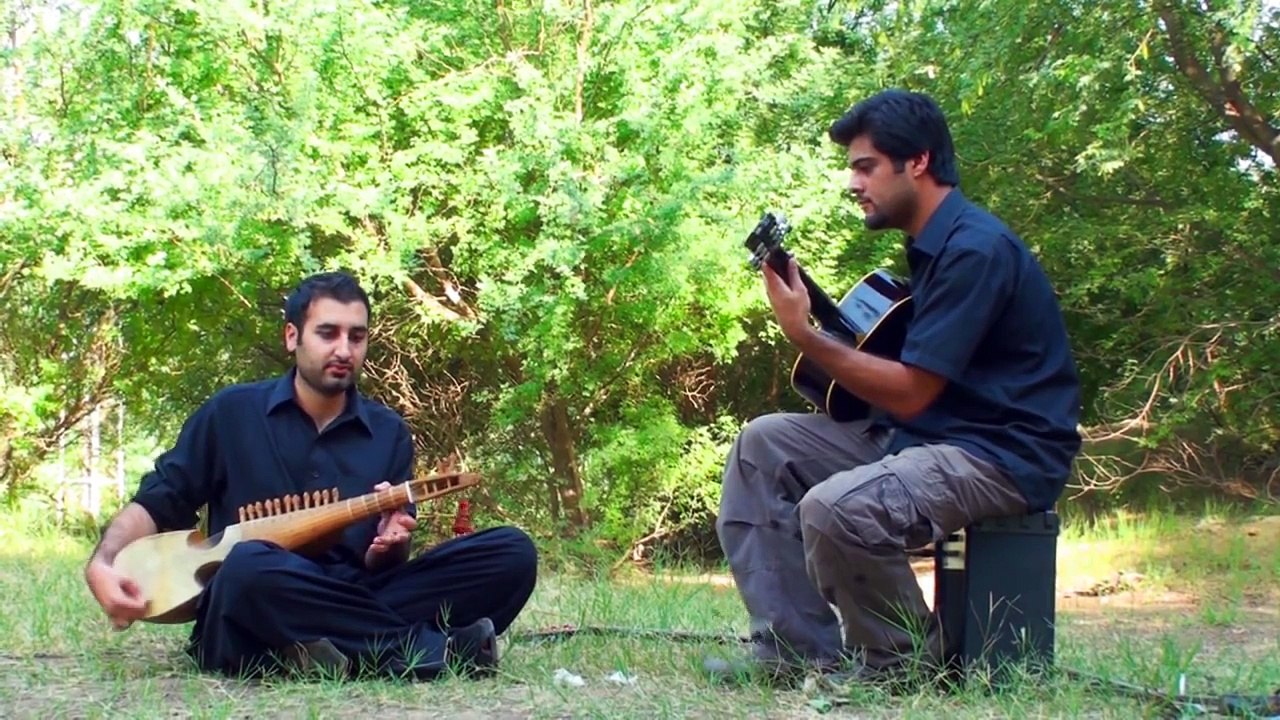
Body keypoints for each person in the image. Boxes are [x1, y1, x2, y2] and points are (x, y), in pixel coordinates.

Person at [706, 90, 1082, 683]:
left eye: (865, 166)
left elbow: (910, 392)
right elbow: (910, 387)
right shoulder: (931, 249)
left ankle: (901, 665)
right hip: (932, 435)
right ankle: (796, 652)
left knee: (838, 510)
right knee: (763, 447)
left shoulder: (975, 251)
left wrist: (805, 335)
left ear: (919, 162)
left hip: (1001, 453)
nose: (852, 183)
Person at [83, 271, 539, 680]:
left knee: (512, 553)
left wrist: (390, 545)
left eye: (357, 336)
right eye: (328, 333)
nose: (344, 349)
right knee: (247, 566)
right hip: (259, 594)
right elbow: (159, 499)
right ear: (291, 336)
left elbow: (383, 566)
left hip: (355, 595)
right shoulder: (231, 413)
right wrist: (103, 563)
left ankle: (318, 652)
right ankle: (426, 649)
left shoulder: (388, 433)